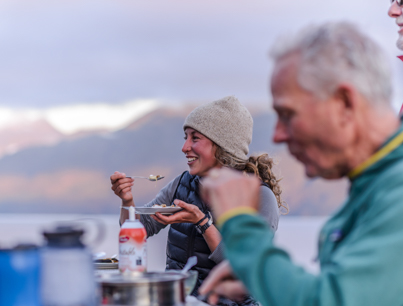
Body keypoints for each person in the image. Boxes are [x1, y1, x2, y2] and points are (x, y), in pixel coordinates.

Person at [199, 22, 403, 306]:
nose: (278, 135)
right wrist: (266, 275)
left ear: (345, 103)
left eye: (288, 114)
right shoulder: (382, 175)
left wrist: (242, 226)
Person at [110, 96, 286, 305]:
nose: (185, 147)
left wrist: (202, 223)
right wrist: (127, 202)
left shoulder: (260, 197)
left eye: (195, 138)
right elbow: (138, 229)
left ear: (222, 146)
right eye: (186, 137)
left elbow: (246, 269)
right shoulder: (182, 184)